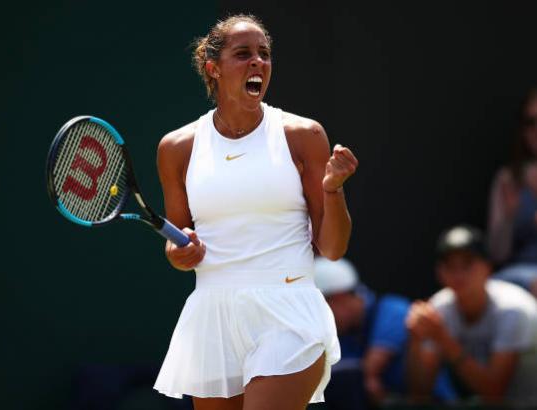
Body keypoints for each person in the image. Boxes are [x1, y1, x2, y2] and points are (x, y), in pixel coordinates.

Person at [152, 14, 358, 410]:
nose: (257, 63)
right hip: (213, 317)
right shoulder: (176, 148)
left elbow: (332, 249)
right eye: (243, 54)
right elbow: (178, 242)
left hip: (288, 313)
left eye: (264, 55)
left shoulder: (303, 136)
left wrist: (332, 191)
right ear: (214, 68)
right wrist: (180, 254)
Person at [406, 225, 537, 405]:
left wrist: (443, 339)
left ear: (487, 268)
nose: (458, 274)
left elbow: (495, 393)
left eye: (467, 264)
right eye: (450, 266)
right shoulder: (440, 307)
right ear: (439, 272)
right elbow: (419, 394)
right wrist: (416, 341)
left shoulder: (513, 309)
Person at [313, 257, 456, 410]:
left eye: (317, 308)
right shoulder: (340, 337)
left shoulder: (393, 309)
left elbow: (369, 374)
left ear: (339, 298)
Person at [487, 88, 537, 297]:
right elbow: (496, 254)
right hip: (519, 275)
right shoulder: (508, 179)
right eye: (531, 122)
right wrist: (508, 218)